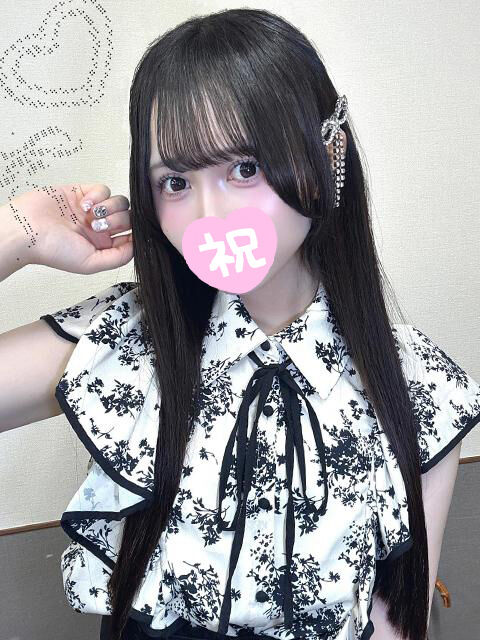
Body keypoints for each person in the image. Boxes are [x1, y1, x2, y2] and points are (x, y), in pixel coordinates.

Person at [0, 7, 478, 640]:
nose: (210, 214)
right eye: (176, 181)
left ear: (326, 157)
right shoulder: (123, 342)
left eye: (245, 168)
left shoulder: (423, 386)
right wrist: (18, 232)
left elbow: (399, 621)